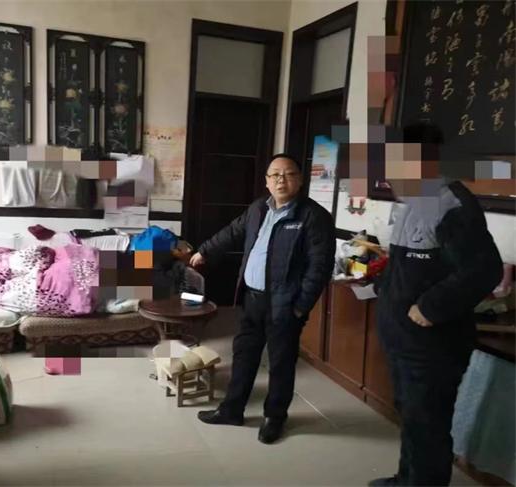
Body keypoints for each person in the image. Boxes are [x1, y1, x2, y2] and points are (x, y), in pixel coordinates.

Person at [369, 123, 503, 486]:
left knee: (427, 426)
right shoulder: (412, 203)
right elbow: (409, 267)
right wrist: (385, 288)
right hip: (404, 341)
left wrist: (431, 306)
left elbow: (484, 269)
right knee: (412, 419)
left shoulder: (450, 203)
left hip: (432, 347)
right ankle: (406, 479)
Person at [190, 153, 335, 444]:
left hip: (286, 305)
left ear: (300, 180)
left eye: (289, 174)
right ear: (267, 181)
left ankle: (274, 418)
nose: (282, 180)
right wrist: (205, 250)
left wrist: (301, 306)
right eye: (275, 174)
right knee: (244, 355)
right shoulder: (258, 208)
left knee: (281, 363)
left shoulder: (313, 216)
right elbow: (232, 232)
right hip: (252, 299)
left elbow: (319, 267)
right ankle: (232, 410)